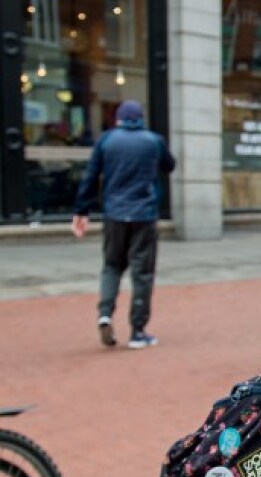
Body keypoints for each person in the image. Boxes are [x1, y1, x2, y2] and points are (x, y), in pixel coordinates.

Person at [71, 99, 175, 349]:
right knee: (142, 273)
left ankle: (105, 314)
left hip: (115, 214)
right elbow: (170, 165)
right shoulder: (154, 141)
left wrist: (81, 211)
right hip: (144, 214)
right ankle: (138, 332)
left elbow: (91, 176)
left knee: (112, 266)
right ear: (140, 118)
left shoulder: (107, 140)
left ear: (118, 118)